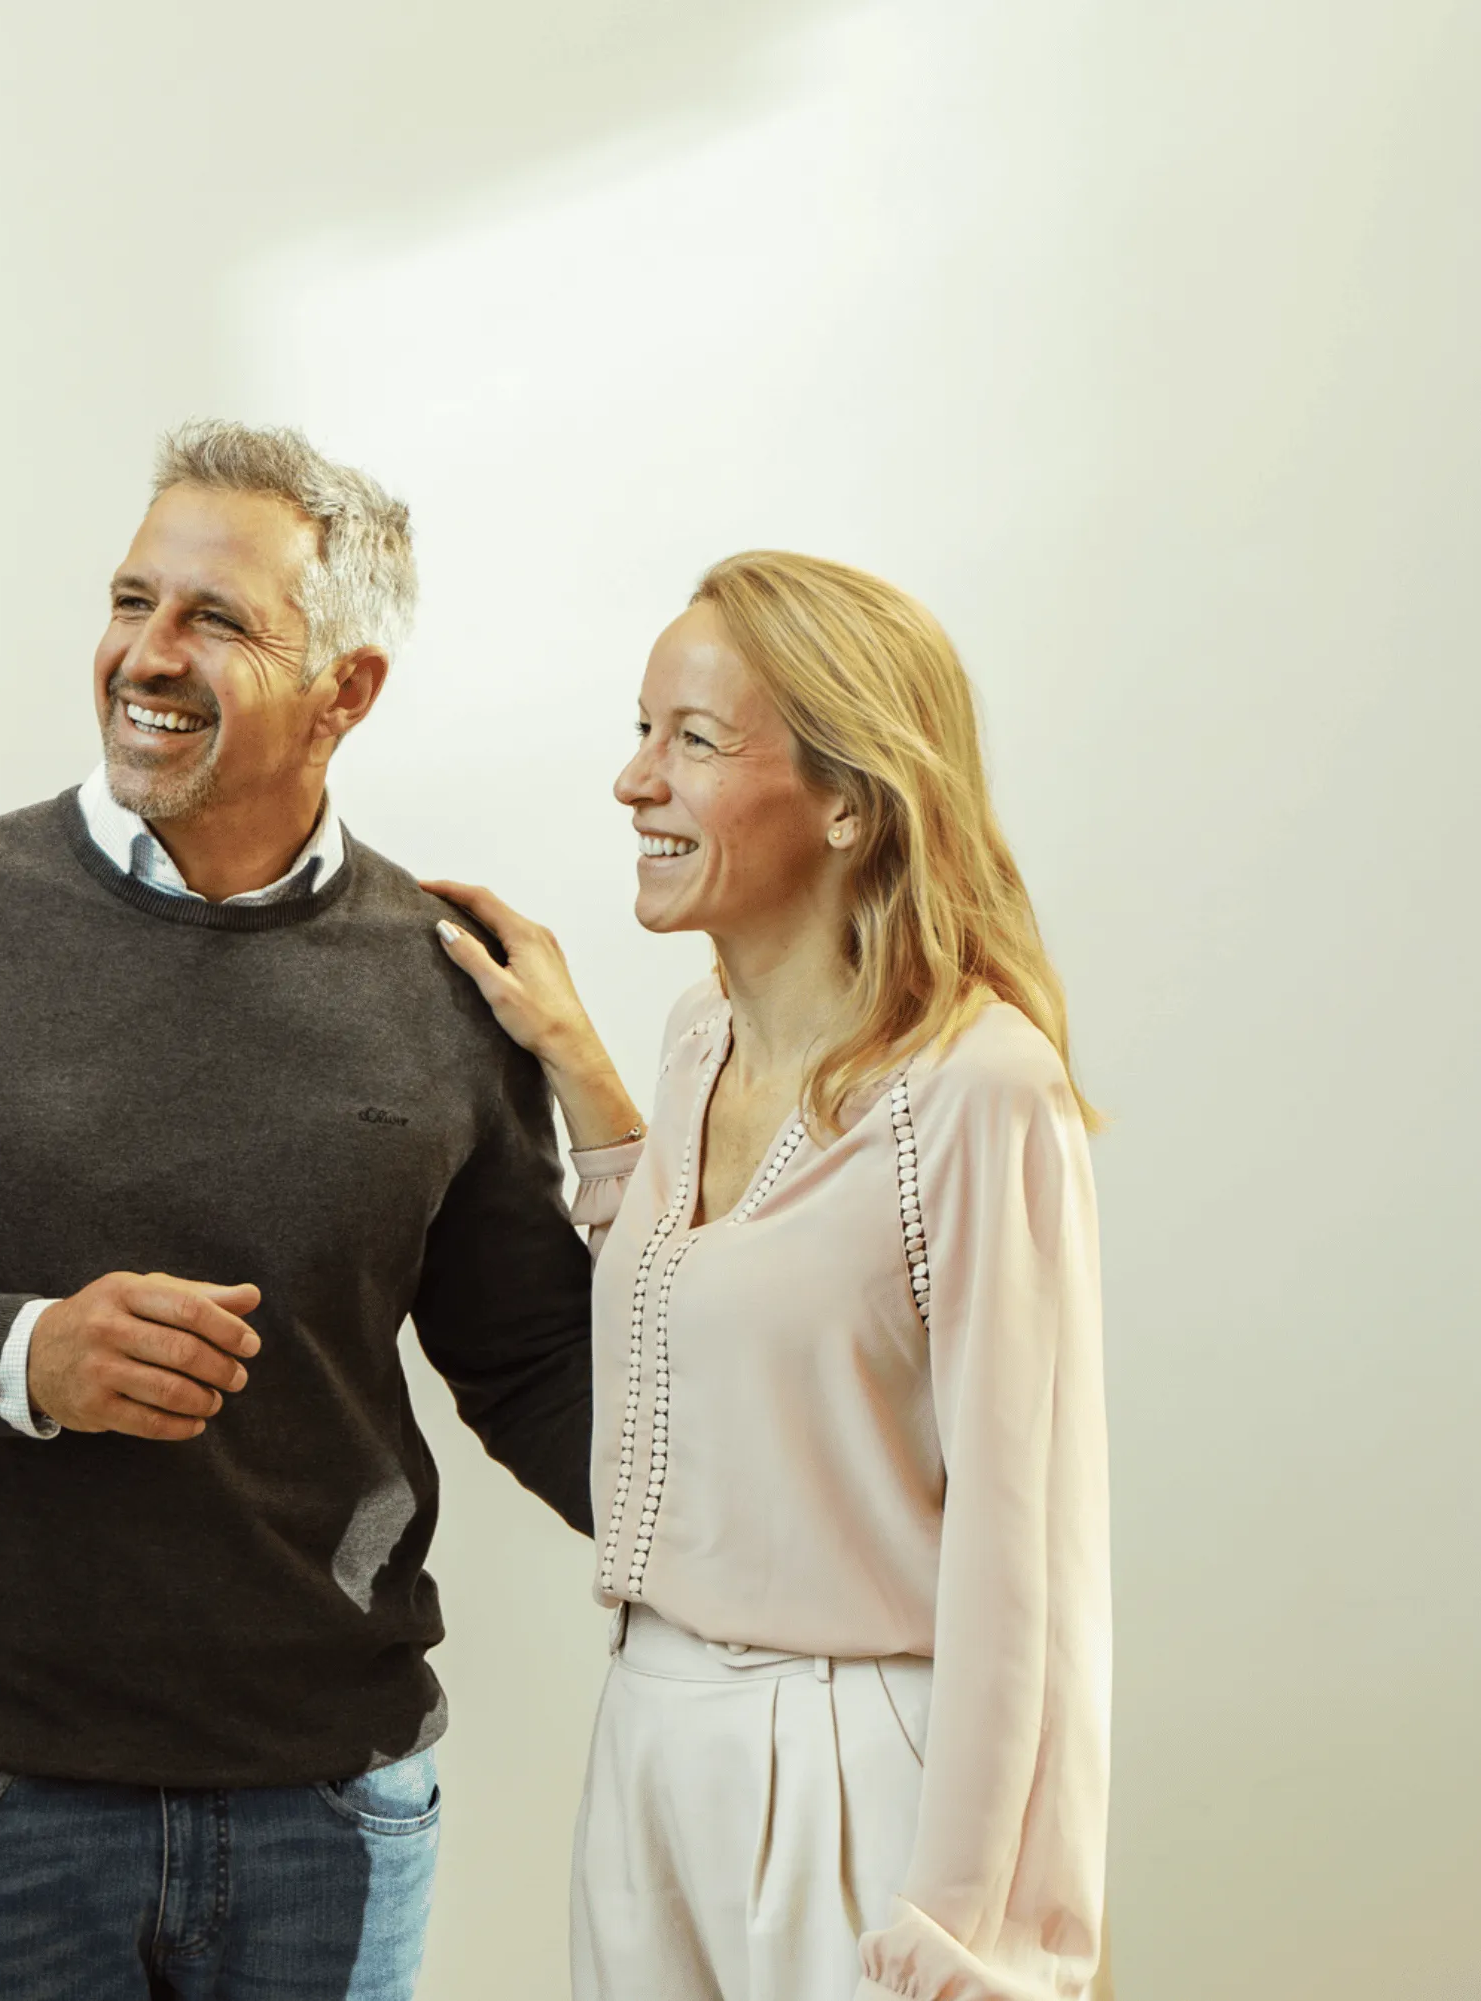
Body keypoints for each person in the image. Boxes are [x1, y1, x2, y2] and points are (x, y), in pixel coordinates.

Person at [0, 421, 631, 2000]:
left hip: (333, 1793)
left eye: (217, 619)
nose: (147, 655)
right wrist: (20, 1358)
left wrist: (741, 1549)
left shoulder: (448, 981)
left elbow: (528, 1362)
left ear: (350, 690)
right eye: (133, 601)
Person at [425, 551, 1109, 2001]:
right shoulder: (694, 1039)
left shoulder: (981, 1093)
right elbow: (703, 1303)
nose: (631, 780)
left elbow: (1027, 1557)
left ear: (850, 801)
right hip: (652, 1733)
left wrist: (974, 1927)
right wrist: (581, 1070)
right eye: (640, 728)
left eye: (690, 740)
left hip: (860, 1774)